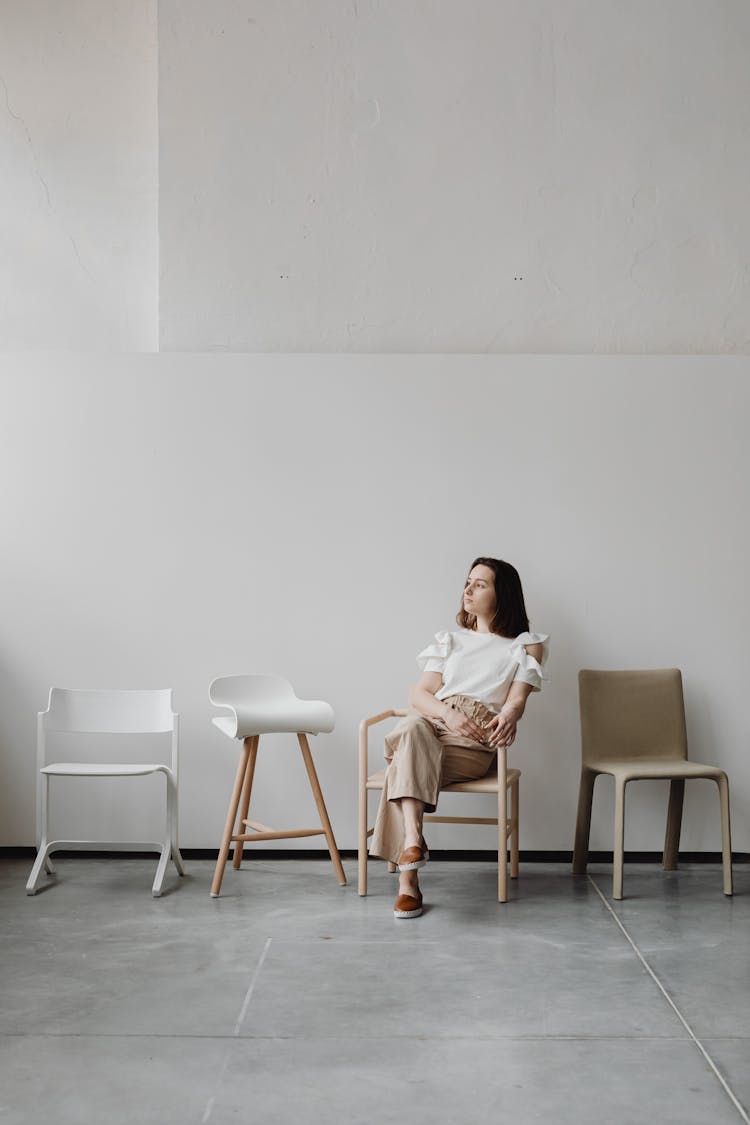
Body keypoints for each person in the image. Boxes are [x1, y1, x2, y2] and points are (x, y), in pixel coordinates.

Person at [369, 557, 548, 919]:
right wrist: (448, 713)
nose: (467, 590)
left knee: (404, 757)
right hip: (435, 721)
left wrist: (511, 713)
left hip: (474, 736)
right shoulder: (449, 640)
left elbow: (517, 698)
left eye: (480, 584)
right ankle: (413, 845)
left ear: (503, 594)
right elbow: (419, 696)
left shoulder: (525, 645)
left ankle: (409, 880)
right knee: (415, 729)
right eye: (467, 582)